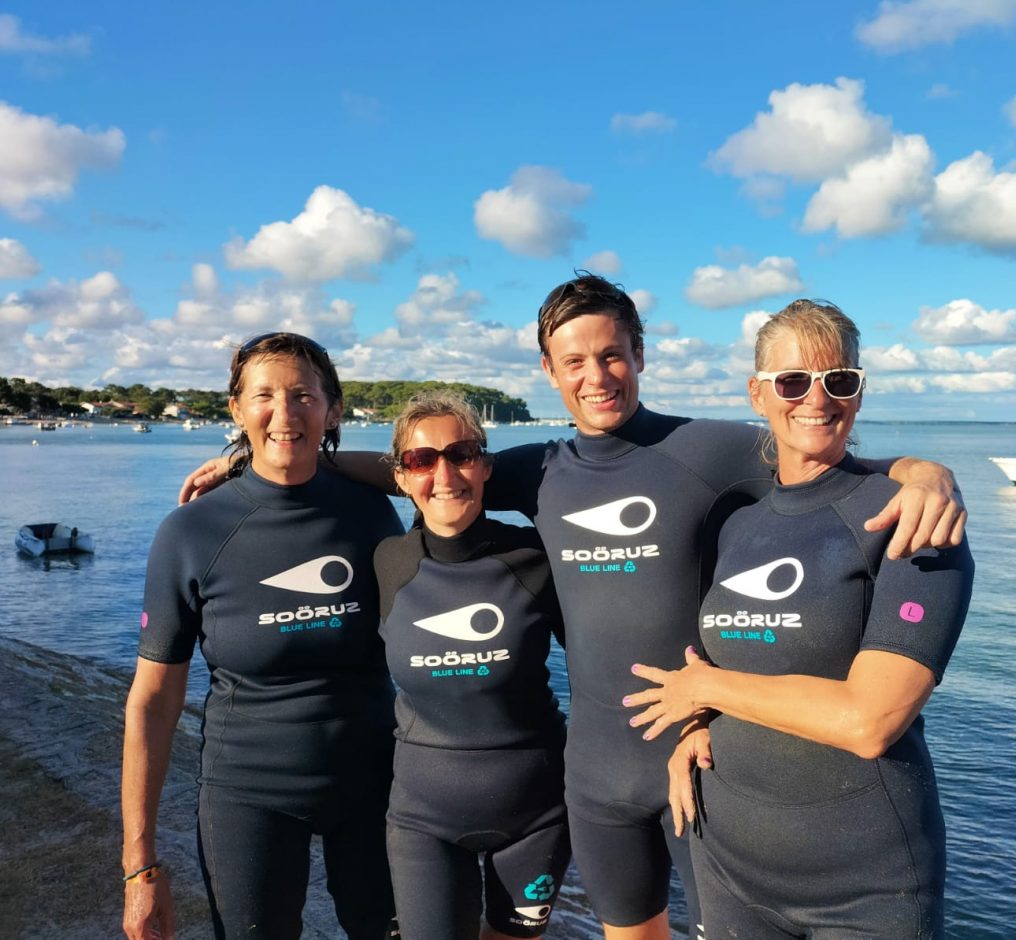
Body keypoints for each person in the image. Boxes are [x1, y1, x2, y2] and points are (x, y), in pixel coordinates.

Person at [179, 274, 967, 940]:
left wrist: (920, 470)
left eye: (612, 354)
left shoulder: (708, 450)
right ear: (550, 372)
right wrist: (265, 460)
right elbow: (425, 469)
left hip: (696, 763)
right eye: (575, 361)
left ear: (640, 355)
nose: (598, 376)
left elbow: (816, 448)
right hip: (592, 777)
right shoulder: (541, 468)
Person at [623, 299, 974, 939]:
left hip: (868, 889)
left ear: (859, 393)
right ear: (758, 394)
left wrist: (703, 689)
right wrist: (696, 722)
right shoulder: (736, 521)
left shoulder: (914, 521)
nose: (817, 398)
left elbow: (870, 721)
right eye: (792, 381)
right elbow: (731, 655)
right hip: (727, 868)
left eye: (838, 380)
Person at [122, 332, 403, 940]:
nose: (284, 412)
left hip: (376, 781)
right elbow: (153, 701)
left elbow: (439, 472)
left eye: (303, 396)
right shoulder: (191, 532)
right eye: (264, 396)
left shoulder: (371, 513)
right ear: (236, 408)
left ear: (333, 409)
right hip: (247, 792)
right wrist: (139, 864)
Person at [375, 391, 570, 939]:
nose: (444, 475)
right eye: (421, 460)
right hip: (423, 820)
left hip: (537, 815)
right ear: (401, 477)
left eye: (461, 455)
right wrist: (242, 463)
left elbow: (602, 664)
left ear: (485, 466)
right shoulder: (387, 563)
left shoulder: (536, 558)